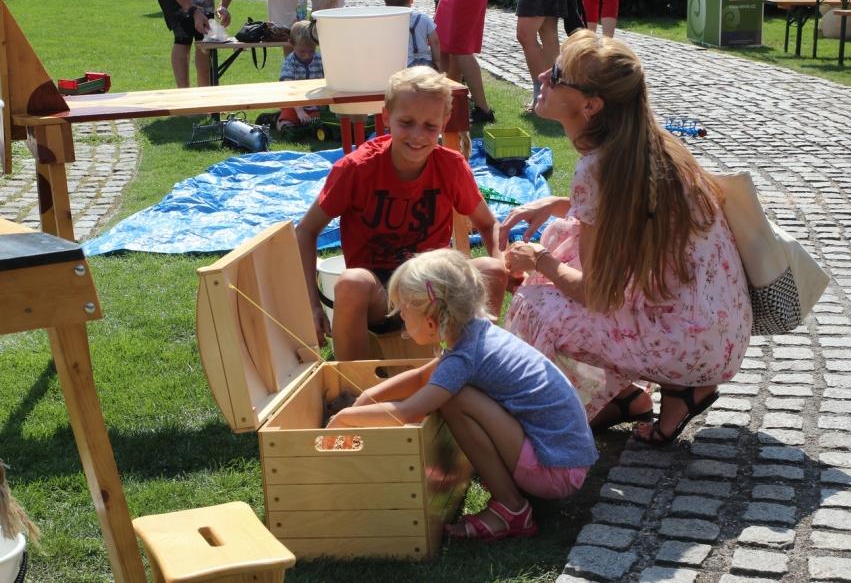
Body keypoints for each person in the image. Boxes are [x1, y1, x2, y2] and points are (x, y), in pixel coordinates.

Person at [501, 30, 751, 446]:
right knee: (568, 237)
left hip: (688, 345)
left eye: (557, 75)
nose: (543, 75)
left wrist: (538, 258)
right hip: (720, 333)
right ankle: (634, 397)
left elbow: (595, 294)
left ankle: (561, 422)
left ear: (591, 106)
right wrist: (559, 205)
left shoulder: (597, 168)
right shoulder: (653, 145)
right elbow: (625, 217)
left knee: (535, 303)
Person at [326, 248, 597, 540]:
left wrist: (345, 417)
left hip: (555, 470)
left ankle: (512, 509)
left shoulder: (463, 357)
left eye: (403, 310)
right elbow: (421, 377)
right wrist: (366, 399)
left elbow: (409, 411)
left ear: (431, 322)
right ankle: (513, 492)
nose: (400, 316)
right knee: (455, 393)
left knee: (456, 398)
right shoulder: (475, 334)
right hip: (565, 458)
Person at [295, 66, 506, 359]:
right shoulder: (356, 169)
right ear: (386, 117)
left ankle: (476, 364)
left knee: (492, 270)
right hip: (378, 295)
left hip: (432, 286)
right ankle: (353, 383)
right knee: (352, 282)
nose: (417, 135)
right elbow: (306, 231)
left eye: (430, 126)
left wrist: (502, 260)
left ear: (444, 123)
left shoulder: (451, 166)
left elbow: (488, 224)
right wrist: (311, 304)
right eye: (406, 122)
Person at [380, 0, 442, 69]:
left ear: (386, 4)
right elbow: (435, 42)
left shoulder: (386, 22)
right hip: (425, 63)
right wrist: (437, 61)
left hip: (402, 64)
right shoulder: (423, 18)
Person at [277, 20, 324, 130]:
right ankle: (279, 122)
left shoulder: (319, 59)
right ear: (292, 44)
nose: (307, 55)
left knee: (321, 121)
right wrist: (299, 111)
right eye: (302, 51)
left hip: (315, 104)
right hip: (294, 104)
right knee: (286, 121)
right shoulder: (290, 62)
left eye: (311, 51)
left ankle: (306, 124)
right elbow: (289, 88)